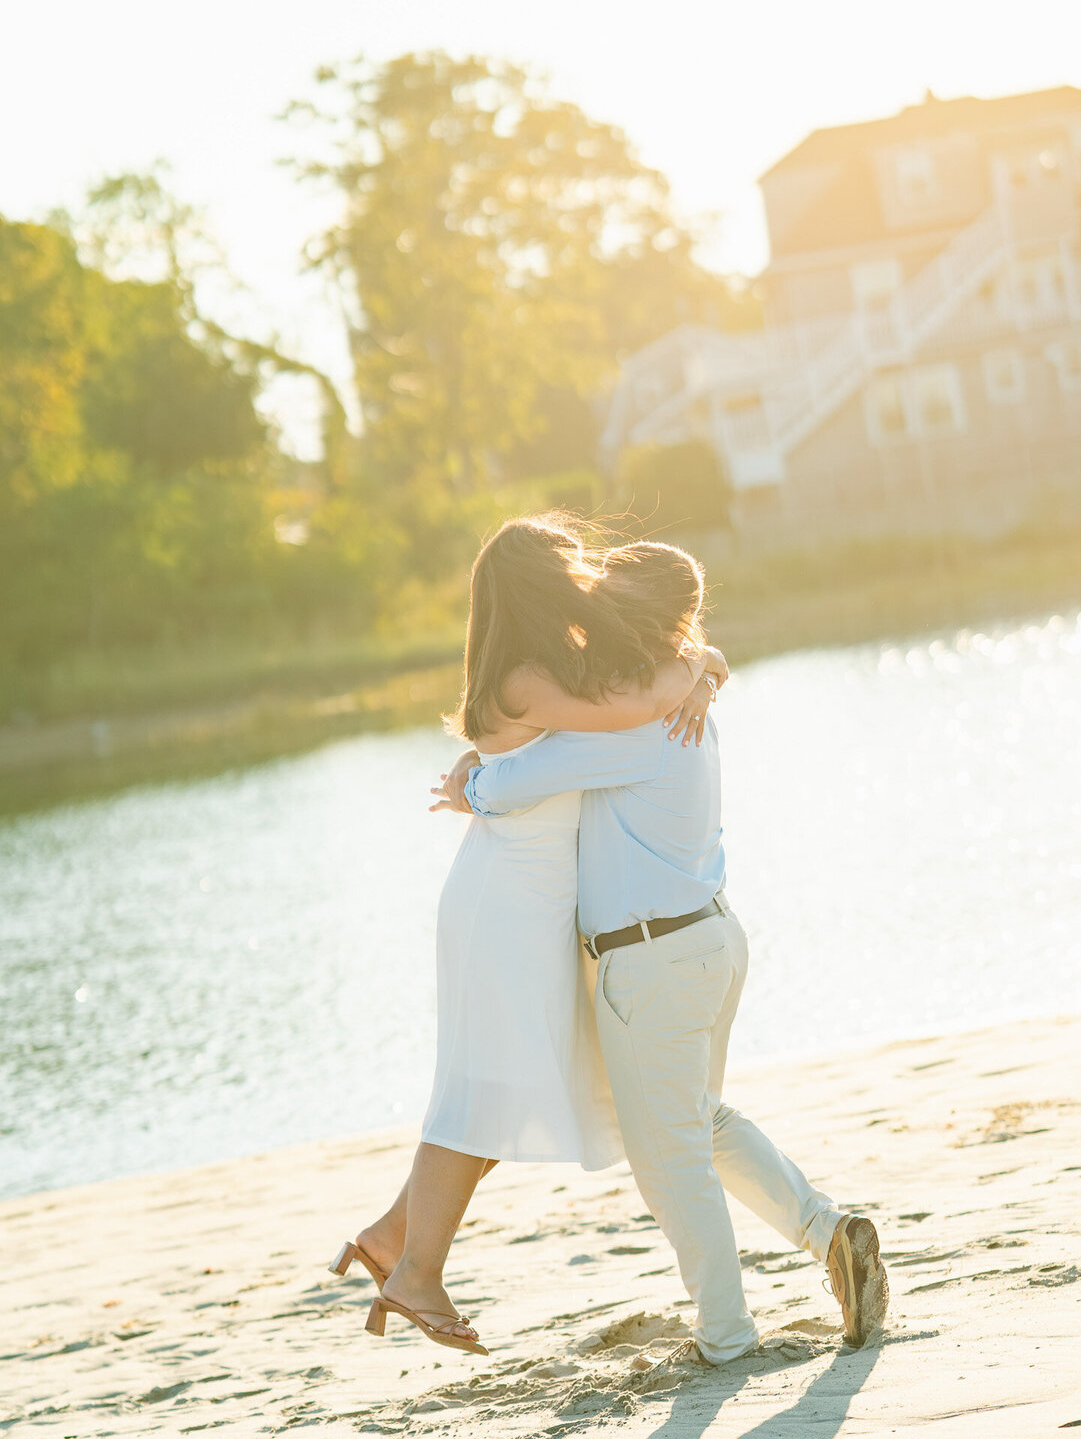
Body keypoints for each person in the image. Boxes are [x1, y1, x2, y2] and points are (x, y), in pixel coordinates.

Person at [438, 540, 889, 1358]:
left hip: (652, 961)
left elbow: (511, 783)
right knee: (699, 1122)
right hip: (708, 940)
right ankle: (830, 1234)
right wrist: (707, 664)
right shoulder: (674, 696)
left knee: (670, 1161)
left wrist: (466, 782)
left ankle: (725, 1336)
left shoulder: (645, 718)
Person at [330, 516, 724, 1355]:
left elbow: (643, 694)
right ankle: (417, 1273)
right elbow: (640, 708)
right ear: (541, 584)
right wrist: (695, 668)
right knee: (478, 1089)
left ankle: (395, 1238)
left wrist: (702, 669)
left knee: (507, 1085)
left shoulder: (538, 666)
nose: (587, 573)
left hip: (524, 897)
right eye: (572, 565)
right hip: (508, 899)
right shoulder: (529, 675)